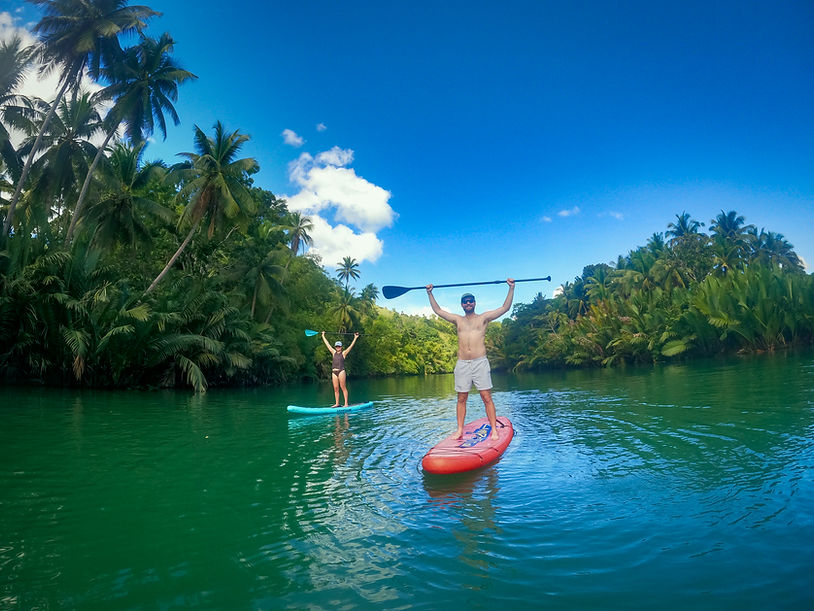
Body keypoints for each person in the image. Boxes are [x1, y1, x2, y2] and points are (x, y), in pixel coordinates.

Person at [426, 279, 515, 439]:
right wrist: (430, 293)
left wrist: (511, 287)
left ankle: (494, 429)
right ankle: (460, 430)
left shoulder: (483, 318)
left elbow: (505, 307)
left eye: (470, 301)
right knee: (461, 398)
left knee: (486, 397)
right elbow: (438, 311)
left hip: (480, 362)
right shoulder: (457, 320)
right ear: (462, 305)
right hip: (462, 364)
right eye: (465, 302)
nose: (468, 303)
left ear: (474, 303)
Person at [321, 331, 359, 407]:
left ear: (341, 347)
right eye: (336, 346)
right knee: (335, 388)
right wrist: (323, 336)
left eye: (339, 346)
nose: (337, 347)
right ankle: (337, 403)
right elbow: (327, 344)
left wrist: (355, 338)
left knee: (343, 387)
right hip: (334, 372)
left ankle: (346, 404)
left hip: (341, 371)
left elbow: (350, 346)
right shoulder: (333, 352)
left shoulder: (344, 353)